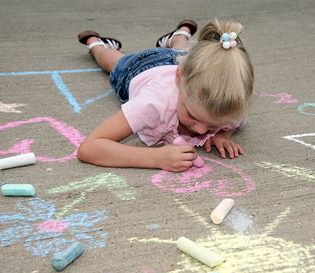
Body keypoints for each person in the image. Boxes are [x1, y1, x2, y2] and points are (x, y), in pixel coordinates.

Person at [76, 19, 254, 172]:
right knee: (115, 62)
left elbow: (234, 122)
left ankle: (179, 35)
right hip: (140, 67)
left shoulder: (229, 102)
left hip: (180, 59)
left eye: (212, 125)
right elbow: (90, 148)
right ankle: (96, 45)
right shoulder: (152, 103)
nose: (200, 131)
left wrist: (223, 135)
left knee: (182, 53)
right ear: (179, 78)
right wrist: (155, 158)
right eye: (193, 116)